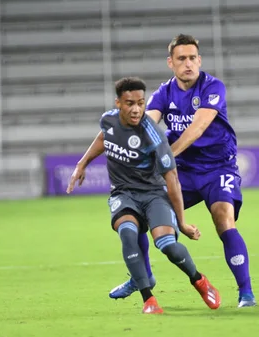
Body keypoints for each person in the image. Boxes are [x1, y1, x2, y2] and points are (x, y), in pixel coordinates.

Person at [69, 34, 255, 308]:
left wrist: (166, 153)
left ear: (199, 60)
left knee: (223, 218)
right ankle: (141, 277)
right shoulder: (164, 93)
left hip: (217, 167)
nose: (188, 64)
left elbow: (198, 127)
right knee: (142, 214)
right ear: (171, 63)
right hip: (183, 172)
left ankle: (246, 292)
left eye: (193, 58)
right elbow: (144, 122)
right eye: (182, 59)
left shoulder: (213, 87)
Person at [67, 77, 221, 314]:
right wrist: (82, 163)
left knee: (167, 245)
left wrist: (182, 222)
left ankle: (198, 280)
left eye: (141, 102)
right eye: (130, 103)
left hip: (153, 195)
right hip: (123, 194)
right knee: (128, 234)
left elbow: (172, 179)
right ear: (118, 103)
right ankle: (148, 299)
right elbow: (103, 137)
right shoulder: (108, 120)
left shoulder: (154, 136)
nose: (137, 109)